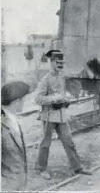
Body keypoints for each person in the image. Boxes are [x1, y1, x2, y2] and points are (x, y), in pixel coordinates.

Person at [34, 49, 92, 179]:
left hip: (61, 115)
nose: (60, 64)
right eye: (57, 62)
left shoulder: (62, 77)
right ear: (52, 62)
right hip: (48, 116)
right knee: (45, 143)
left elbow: (64, 93)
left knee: (69, 141)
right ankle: (41, 168)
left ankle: (77, 168)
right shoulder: (45, 79)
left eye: (62, 62)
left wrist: (66, 98)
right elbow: (37, 99)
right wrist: (52, 99)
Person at [1, 81, 30, 191]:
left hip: (19, 184)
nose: (24, 102)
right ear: (17, 101)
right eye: (23, 100)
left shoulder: (12, 119)